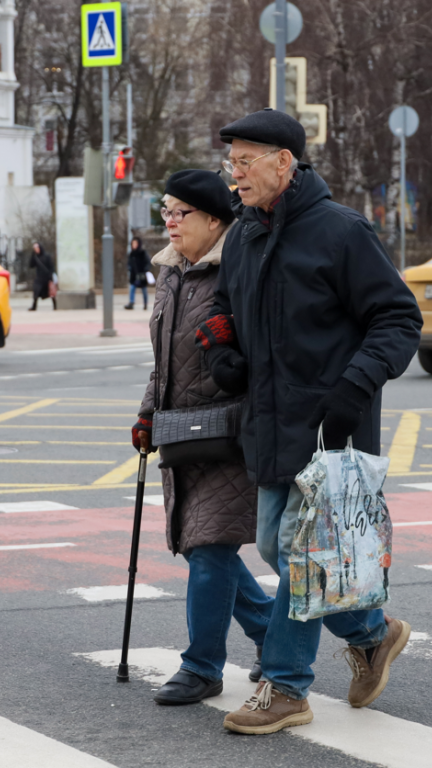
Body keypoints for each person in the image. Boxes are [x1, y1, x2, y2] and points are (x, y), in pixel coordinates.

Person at [199, 109, 423, 734]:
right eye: (231, 163)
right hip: (270, 421)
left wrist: (355, 385)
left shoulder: (340, 231)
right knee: (276, 543)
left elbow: (399, 319)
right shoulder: (245, 234)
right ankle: (372, 634)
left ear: (284, 163)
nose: (234, 174)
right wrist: (220, 347)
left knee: (300, 555)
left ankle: (286, 686)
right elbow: (222, 305)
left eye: (245, 161)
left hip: (329, 425)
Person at [132, 169, 275, 706]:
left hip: (230, 432)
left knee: (209, 546)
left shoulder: (238, 271)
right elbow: (163, 365)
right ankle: (268, 631)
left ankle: (202, 667)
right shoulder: (172, 274)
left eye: (180, 212)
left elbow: (259, 355)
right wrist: (148, 413)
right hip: (183, 434)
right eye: (164, 210)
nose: (169, 221)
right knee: (201, 547)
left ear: (214, 221)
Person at [124, 237, 152, 310]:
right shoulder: (131, 254)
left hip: (142, 274)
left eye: (135, 243)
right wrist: (129, 268)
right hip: (134, 275)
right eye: (133, 243)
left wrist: (146, 270)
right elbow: (129, 263)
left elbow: (148, 262)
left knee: (144, 290)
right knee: (132, 288)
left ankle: (145, 304)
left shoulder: (143, 253)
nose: (134, 245)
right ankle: (131, 303)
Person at [28, 242, 56, 311]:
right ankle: (34, 306)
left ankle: (55, 306)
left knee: (51, 293)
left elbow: (51, 267)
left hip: (47, 277)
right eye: (35, 248)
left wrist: (50, 277)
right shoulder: (35, 257)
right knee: (36, 292)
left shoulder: (47, 256)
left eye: (37, 248)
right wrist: (32, 255)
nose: (36, 249)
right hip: (39, 278)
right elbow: (31, 265)